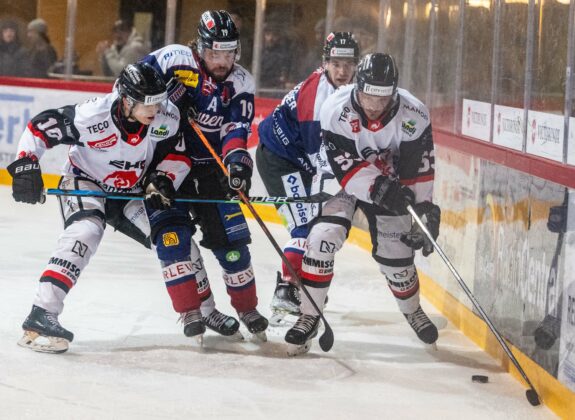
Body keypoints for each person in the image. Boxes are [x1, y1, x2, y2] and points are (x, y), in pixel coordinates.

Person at [8, 63, 185, 353]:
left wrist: (163, 179)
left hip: (130, 191)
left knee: (174, 237)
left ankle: (202, 309)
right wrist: (27, 164)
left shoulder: (167, 116)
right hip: (85, 180)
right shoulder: (93, 116)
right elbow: (40, 127)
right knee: (85, 231)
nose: (156, 108)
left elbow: (174, 154)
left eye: (159, 100)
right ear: (126, 99)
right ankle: (42, 312)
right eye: (148, 101)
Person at [284, 53, 441, 355]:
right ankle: (309, 314)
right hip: (341, 178)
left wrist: (423, 210)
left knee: (398, 253)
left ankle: (412, 310)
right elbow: (343, 166)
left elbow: (419, 168)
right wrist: (377, 185)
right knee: (321, 239)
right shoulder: (335, 110)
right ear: (358, 87)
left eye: (383, 99)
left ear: (394, 92)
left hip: (391, 180)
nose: (374, 106)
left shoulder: (414, 114)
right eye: (369, 96)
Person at [140, 10, 268, 339]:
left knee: (233, 243)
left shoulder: (240, 81)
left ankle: (247, 307)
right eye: (215, 53)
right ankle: (192, 312)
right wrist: (165, 90)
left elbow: (236, 129)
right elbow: (130, 86)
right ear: (199, 47)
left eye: (229, 53)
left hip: (211, 168)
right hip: (165, 165)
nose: (222, 61)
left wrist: (238, 163)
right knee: (173, 239)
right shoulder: (173, 59)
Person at [256, 32, 359, 325]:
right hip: (280, 160)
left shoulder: (349, 88)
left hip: (297, 158)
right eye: (336, 63)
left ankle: (304, 282)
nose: (342, 71)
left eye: (348, 64)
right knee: (306, 225)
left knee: (315, 223)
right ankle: (286, 289)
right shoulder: (318, 98)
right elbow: (320, 162)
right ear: (324, 62)